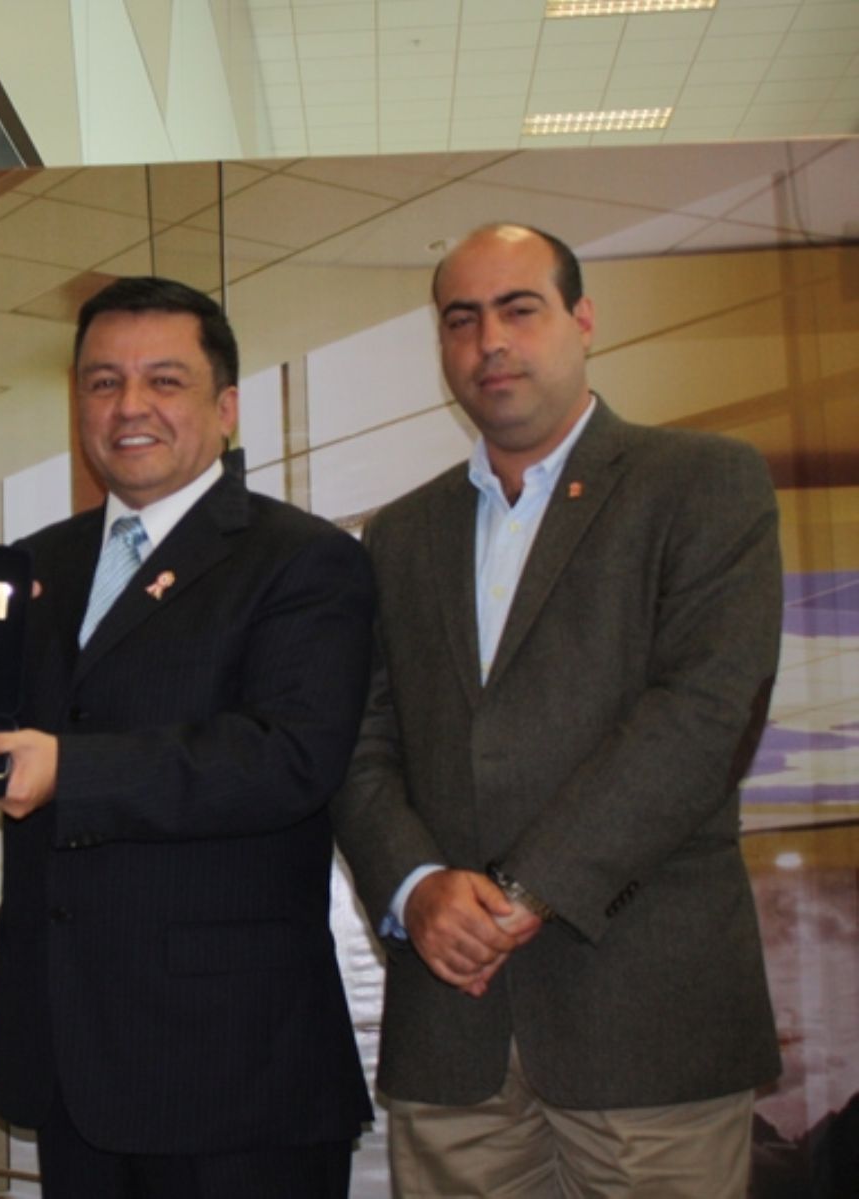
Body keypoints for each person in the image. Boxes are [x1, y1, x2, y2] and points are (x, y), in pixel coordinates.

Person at [331, 224, 782, 1197]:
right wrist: (415, 887)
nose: (490, 339)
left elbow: (702, 717)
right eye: (462, 319)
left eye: (519, 308)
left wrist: (521, 893)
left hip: (645, 1027)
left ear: (583, 320)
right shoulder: (399, 536)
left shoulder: (703, 482)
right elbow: (363, 744)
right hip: (452, 1038)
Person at [0, 276, 376, 1196]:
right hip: (71, 1054)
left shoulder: (304, 560)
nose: (130, 406)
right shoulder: (37, 565)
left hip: (236, 1072)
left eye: (165, 380)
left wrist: (72, 769)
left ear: (226, 407)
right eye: (103, 382)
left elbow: (286, 758)